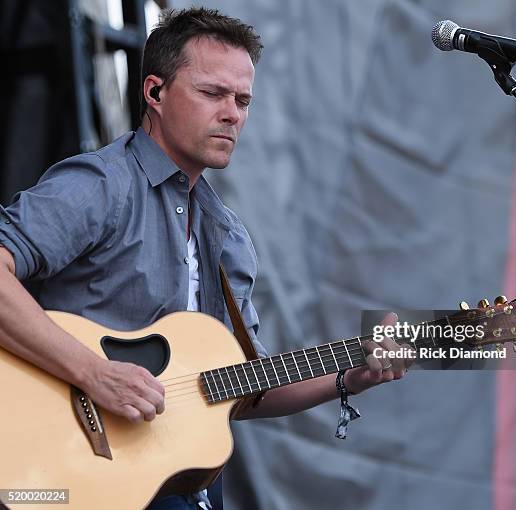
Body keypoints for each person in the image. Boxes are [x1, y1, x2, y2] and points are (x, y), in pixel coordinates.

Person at [0, 7, 409, 509]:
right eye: (213, 93)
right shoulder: (102, 186)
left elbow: (241, 389)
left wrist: (350, 374)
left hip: (176, 483)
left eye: (243, 100)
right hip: (67, 471)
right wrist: (93, 372)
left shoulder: (227, 235)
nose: (232, 113)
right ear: (154, 92)